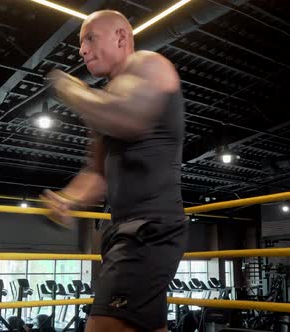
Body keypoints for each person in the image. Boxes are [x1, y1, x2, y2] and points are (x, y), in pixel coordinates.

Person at [40, 10, 188, 332]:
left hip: (151, 228)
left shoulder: (150, 65)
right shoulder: (105, 100)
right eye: (81, 43)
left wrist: (72, 91)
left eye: (90, 38)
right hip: (124, 229)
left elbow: (130, 119)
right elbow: (97, 175)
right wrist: (67, 199)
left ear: (122, 37)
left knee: (103, 325)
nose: (81, 50)